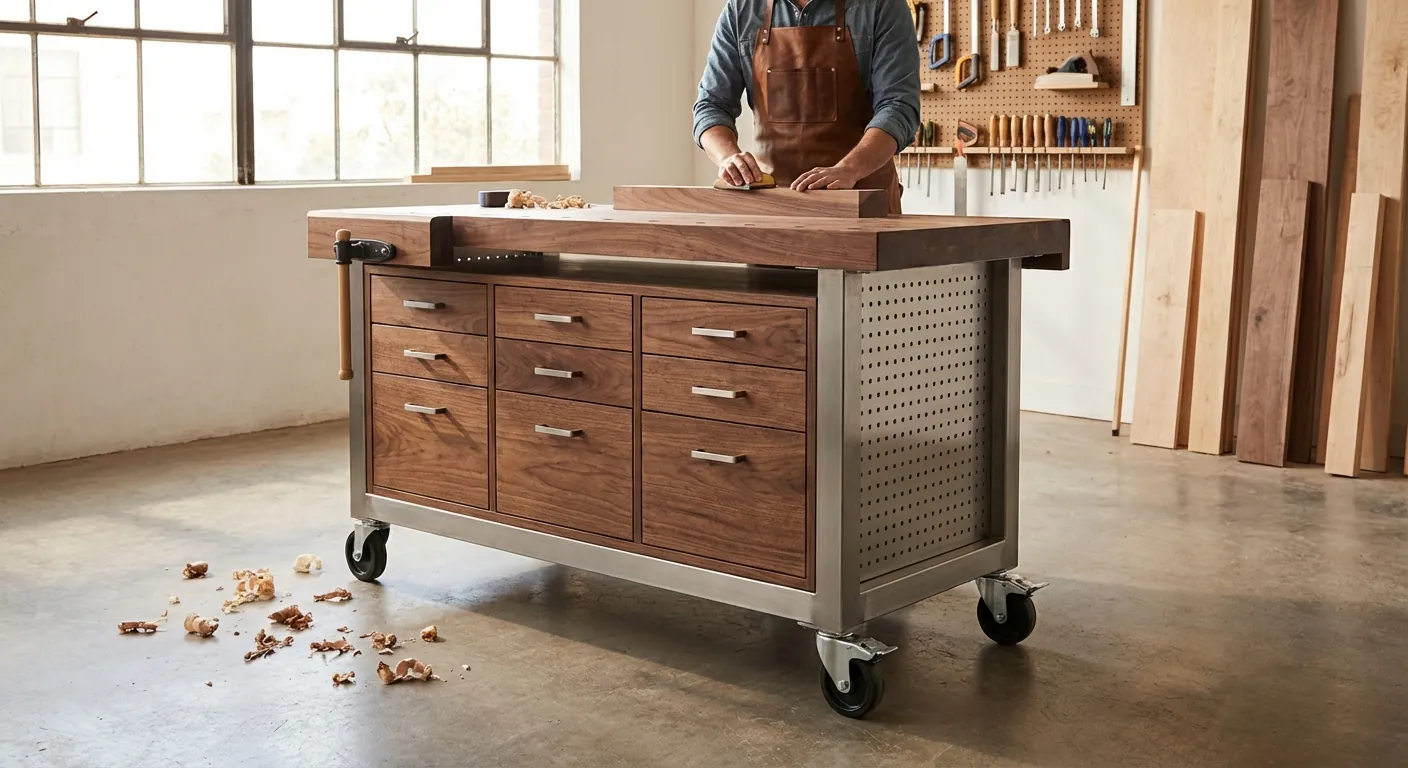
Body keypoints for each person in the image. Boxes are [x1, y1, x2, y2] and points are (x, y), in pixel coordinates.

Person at [693, 0, 921, 214]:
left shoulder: (881, 5)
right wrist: (727, 158)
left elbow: (898, 106)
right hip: (773, 205)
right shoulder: (742, 9)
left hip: (863, 202)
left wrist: (850, 169)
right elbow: (711, 105)